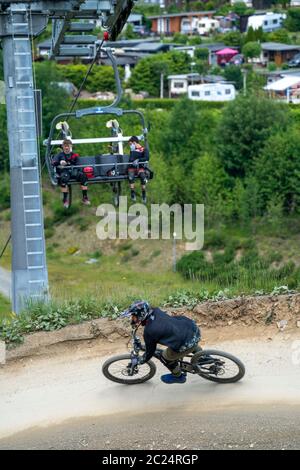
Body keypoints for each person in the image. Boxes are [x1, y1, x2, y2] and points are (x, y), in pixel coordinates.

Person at [121, 300, 201, 384]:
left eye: (133, 316)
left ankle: (178, 376)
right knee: (186, 340)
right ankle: (203, 356)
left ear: (141, 315)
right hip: (192, 329)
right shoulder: (156, 310)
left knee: (164, 357)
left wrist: (141, 361)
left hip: (186, 341)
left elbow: (150, 352)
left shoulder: (149, 331)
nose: (132, 319)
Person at [52, 139, 91, 208]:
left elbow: (78, 164)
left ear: (70, 146)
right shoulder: (59, 155)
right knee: (63, 178)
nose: (66, 148)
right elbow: (53, 162)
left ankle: (85, 197)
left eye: (68, 146)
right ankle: (65, 199)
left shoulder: (74, 155)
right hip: (64, 171)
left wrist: (71, 164)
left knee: (83, 177)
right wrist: (60, 163)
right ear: (62, 147)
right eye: (65, 146)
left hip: (73, 171)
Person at [128, 136, 148, 204]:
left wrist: (139, 160)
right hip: (132, 168)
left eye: (130, 144)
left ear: (134, 142)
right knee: (131, 177)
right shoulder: (132, 151)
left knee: (142, 176)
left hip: (140, 168)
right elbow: (131, 159)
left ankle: (143, 194)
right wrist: (133, 152)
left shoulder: (144, 149)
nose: (130, 146)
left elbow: (146, 158)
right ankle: (132, 193)